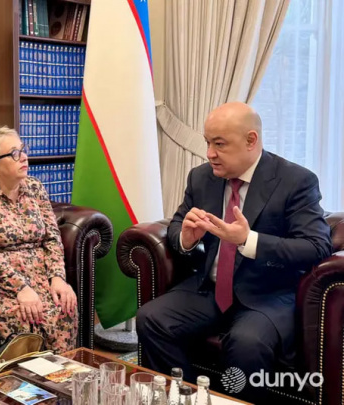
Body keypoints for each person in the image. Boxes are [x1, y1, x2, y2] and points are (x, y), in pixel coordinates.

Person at [136, 102, 332, 401]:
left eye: (219, 144)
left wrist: (248, 240)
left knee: (246, 343)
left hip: (267, 295)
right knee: (152, 318)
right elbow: (177, 224)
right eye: (207, 142)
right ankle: (188, 398)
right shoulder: (201, 177)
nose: (209, 153)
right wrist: (186, 238)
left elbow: (316, 247)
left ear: (251, 140)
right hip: (210, 289)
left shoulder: (296, 181)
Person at [0, 125, 78, 353]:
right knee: (22, 313)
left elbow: (52, 238)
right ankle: (18, 375)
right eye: (14, 153)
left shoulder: (35, 188)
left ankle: (62, 370)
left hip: (36, 276)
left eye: (23, 149)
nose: (24, 157)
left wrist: (57, 278)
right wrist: (20, 287)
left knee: (64, 304)